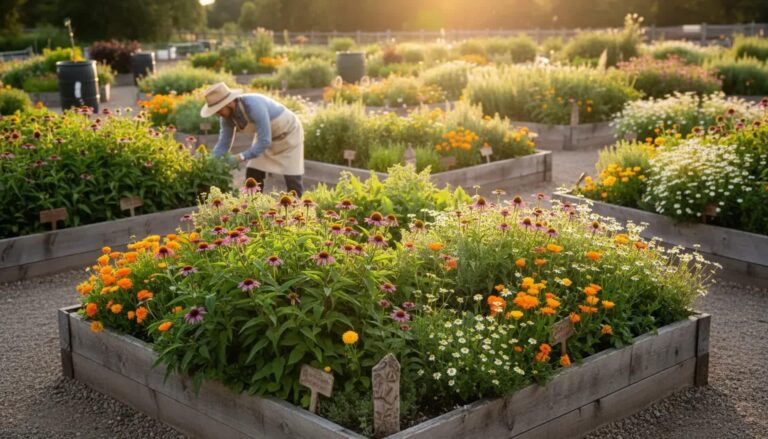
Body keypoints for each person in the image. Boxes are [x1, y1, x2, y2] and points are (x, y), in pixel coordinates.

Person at [200, 82, 305, 196]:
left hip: (289, 135)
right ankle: (253, 207)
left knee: (292, 179)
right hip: (265, 138)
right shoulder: (226, 118)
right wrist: (211, 162)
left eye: (219, 110)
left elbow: (264, 141)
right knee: (253, 173)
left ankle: (299, 210)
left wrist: (239, 157)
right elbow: (223, 144)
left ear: (229, 103)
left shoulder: (254, 106)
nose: (218, 114)